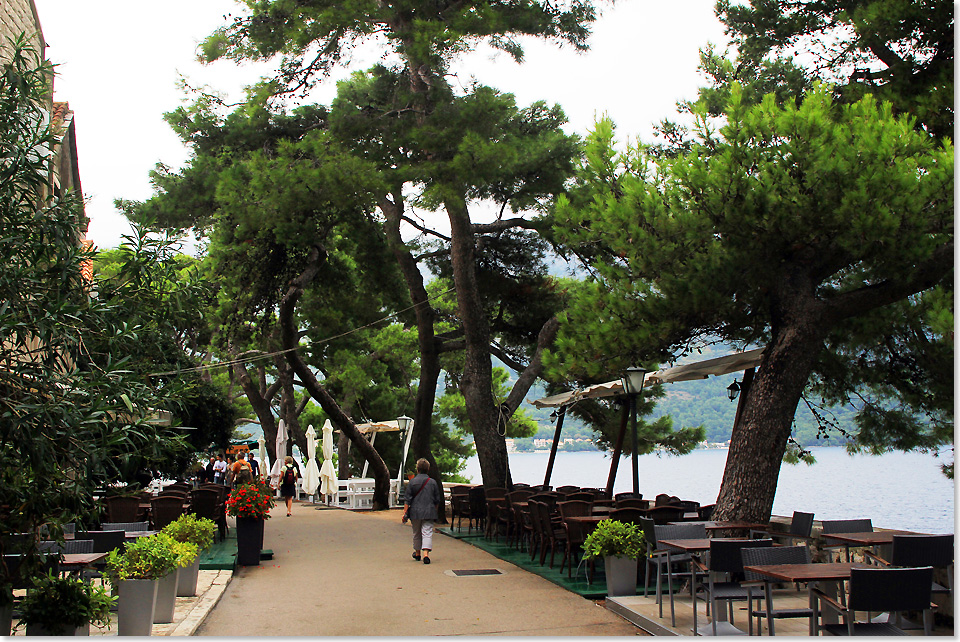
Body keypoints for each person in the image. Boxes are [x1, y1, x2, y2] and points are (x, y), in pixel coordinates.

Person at [402, 458, 442, 564]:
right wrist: (435, 510)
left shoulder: (412, 482)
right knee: (427, 532)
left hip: (415, 511)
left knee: (416, 532)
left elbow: (408, 499)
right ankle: (426, 554)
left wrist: (405, 513)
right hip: (429, 511)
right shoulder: (433, 482)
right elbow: (437, 499)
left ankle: (417, 552)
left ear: (417, 469)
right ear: (428, 469)